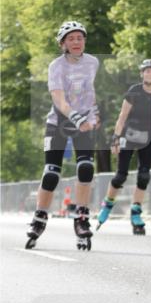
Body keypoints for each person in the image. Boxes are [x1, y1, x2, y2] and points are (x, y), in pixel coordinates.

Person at [26, 21, 99, 251]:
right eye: (71, 38)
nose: (76, 42)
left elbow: (89, 91)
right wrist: (76, 117)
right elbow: (59, 99)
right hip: (58, 122)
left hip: (84, 121)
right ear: (63, 44)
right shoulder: (56, 66)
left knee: (86, 167)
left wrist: (94, 112)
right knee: (51, 174)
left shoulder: (92, 62)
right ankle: (39, 217)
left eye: (80, 37)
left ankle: (81, 217)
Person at [95, 59, 151, 235]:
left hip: (147, 137)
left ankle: (136, 213)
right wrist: (115, 137)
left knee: (144, 176)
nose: (150, 74)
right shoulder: (134, 91)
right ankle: (107, 204)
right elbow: (122, 115)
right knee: (121, 176)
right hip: (128, 135)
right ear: (142, 74)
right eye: (147, 71)